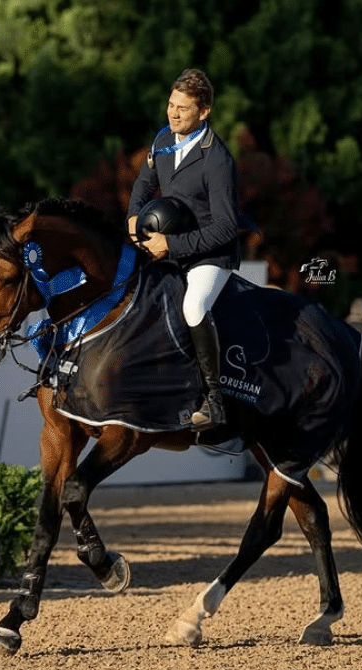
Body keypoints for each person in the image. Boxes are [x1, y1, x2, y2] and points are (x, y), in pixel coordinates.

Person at [128, 68, 240, 432]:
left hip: (210, 254)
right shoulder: (163, 140)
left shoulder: (217, 160)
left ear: (204, 112)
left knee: (192, 306)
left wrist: (170, 245)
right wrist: (132, 218)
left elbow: (225, 228)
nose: (173, 114)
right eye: (171, 105)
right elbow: (143, 185)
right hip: (168, 249)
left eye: (183, 109)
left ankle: (214, 400)